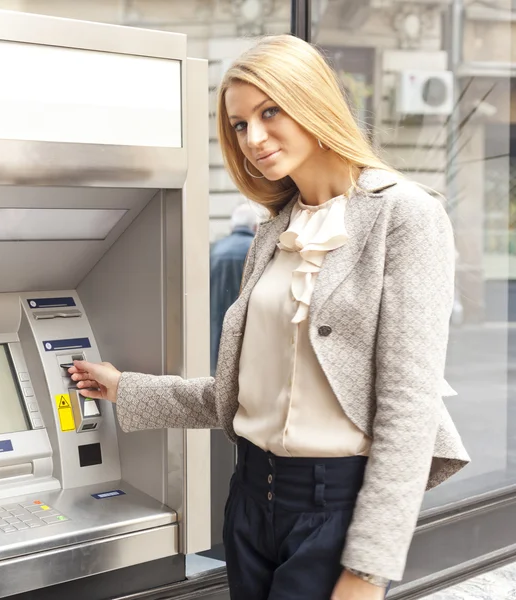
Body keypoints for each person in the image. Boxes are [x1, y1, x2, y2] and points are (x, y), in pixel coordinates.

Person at [69, 35, 470, 600]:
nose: (254, 138)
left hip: (335, 510)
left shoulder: (406, 215)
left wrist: (368, 568)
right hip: (252, 498)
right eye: (239, 125)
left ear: (313, 102)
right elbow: (240, 397)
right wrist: (125, 389)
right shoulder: (274, 230)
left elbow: (408, 408)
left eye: (269, 111)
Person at [210, 203, 258, 374]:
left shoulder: (216, 249)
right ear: (255, 226)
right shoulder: (256, 249)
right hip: (245, 326)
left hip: (216, 323)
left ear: (232, 225)